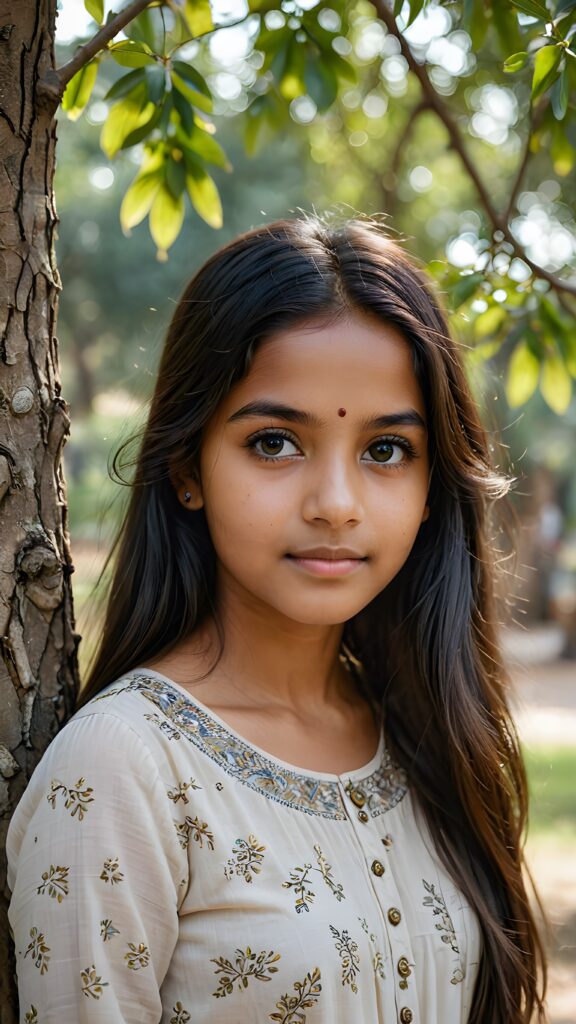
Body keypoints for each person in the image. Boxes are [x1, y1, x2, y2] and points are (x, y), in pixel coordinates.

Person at [6, 217, 546, 1024]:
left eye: (386, 450)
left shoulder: (425, 733)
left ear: (433, 483)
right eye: (274, 442)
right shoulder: (123, 769)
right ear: (187, 467)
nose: (336, 504)